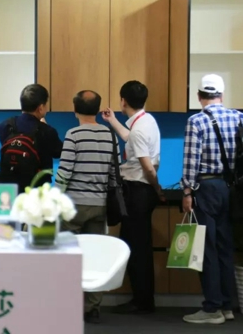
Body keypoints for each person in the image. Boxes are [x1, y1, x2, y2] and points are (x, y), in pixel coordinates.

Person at [180, 74, 243, 324]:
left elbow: (191, 160)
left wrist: (187, 191)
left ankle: (212, 309)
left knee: (207, 249)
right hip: (228, 188)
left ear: (199, 96)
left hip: (205, 188)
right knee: (224, 247)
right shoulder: (236, 116)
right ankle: (226, 306)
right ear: (221, 95)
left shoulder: (196, 121)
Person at [102, 80, 163, 315]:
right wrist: (113, 121)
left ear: (123, 101)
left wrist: (157, 188)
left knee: (137, 249)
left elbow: (147, 167)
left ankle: (143, 302)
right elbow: (131, 138)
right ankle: (142, 299)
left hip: (138, 191)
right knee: (136, 246)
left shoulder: (139, 129)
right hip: (141, 192)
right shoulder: (147, 121)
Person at [56, 90, 116, 324]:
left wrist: (55, 198)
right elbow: (114, 173)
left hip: (74, 205)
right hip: (99, 204)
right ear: (98, 109)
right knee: (95, 256)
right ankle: (92, 307)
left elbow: (64, 172)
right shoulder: (110, 136)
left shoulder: (73, 135)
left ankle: (70, 304)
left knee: (69, 256)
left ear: (75, 110)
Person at [0, 84, 62, 192]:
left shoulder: (5, 126)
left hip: (9, 191)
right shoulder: (47, 131)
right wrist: (45, 126)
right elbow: (59, 152)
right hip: (36, 192)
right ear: (40, 108)